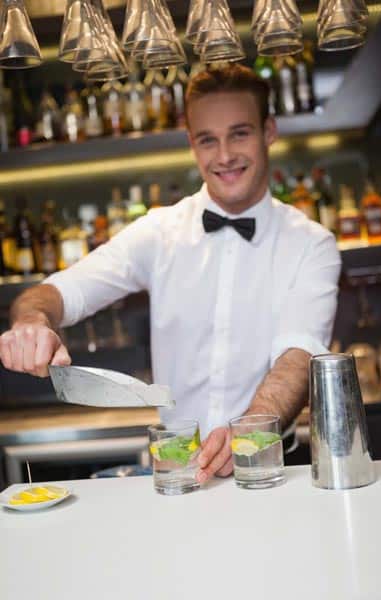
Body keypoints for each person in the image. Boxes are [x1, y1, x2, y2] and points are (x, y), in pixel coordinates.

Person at [0, 65, 341, 484]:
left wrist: (248, 432)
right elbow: (58, 293)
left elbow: (298, 354)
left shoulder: (312, 244)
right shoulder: (157, 233)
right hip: (175, 470)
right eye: (207, 140)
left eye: (240, 133)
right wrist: (33, 321)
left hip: (268, 465)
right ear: (191, 144)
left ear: (269, 131)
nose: (225, 155)